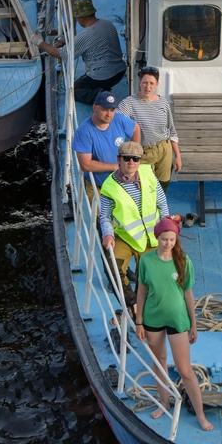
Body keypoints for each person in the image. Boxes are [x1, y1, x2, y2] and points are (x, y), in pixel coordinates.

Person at [135, 217, 214, 432]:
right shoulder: (146, 261)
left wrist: (194, 324)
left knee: (184, 369)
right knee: (159, 363)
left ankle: (200, 414)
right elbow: (141, 292)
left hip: (178, 320)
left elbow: (188, 293)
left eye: (172, 239)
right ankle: (164, 402)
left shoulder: (183, 261)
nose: (168, 243)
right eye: (164, 239)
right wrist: (139, 321)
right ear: (157, 237)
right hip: (152, 320)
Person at [100, 141, 170, 309]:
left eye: (135, 159)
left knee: (150, 278)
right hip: (126, 237)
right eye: (127, 158)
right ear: (119, 159)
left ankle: (145, 309)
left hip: (152, 238)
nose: (131, 162)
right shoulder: (109, 186)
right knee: (112, 268)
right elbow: (105, 216)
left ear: (140, 161)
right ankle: (132, 304)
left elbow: (162, 204)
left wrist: (166, 229)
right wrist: (107, 234)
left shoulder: (148, 174)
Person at [39, 0, 126, 105]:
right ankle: (103, 89)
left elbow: (60, 54)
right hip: (120, 72)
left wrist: (39, 42)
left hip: (102, 77)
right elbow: (92, 40)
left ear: (80, 18)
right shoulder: (107, 23)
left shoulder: (84, 36)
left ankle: (101, 94)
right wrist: (67, 41)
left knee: (73, 91)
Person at [118, 66, 181, 195]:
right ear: (139, 83)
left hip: (164, 150)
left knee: (163, 183)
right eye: (145, 83)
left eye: (151, 83)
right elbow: (116, 120)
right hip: (143, 153)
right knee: (143, 187)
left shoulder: (163, 102)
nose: (148, 87)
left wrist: (177, 156)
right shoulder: (129, 103)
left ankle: (158, 210)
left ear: (157, 85)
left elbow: (172, 131)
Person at [72, 91, 140, 202]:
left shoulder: (119, 119)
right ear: (95, 107)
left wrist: (134, 153)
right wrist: (116, 167)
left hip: (120, 184)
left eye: (112, 110)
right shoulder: (84, 132)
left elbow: (136, 128)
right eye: (104, 110)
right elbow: (85, 165)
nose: (109, 114)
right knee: (100, 218)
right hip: (98, 187)